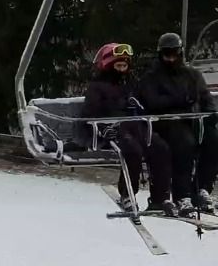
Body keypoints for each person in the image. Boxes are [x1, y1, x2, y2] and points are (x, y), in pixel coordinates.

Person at [81, 43, 172, 214]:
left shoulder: (130, 84)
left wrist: (141, 108)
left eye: (124, 66)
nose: (122, 70)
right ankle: (128, 194)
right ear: (108, 66)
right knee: (133, 151)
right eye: (118, 66)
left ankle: (161, 197)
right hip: (114, 128)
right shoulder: (98, 87)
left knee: (160, 147)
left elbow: (143, 104)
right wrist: (102, 127)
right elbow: (89, 113)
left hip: (135, 125)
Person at [137, 32, 218, 214]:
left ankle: (202, 188)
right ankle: (182, 194)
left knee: (213, 139)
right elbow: (152, 102)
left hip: (193, 121)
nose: (171, 58)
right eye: (167, 54)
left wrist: (211, 114)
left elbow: (205, 98)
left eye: (174, 54)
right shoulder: (152, 77)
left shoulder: (192, 75)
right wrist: (179, 100)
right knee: (185, 144)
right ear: (161, 54)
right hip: (166, 123)